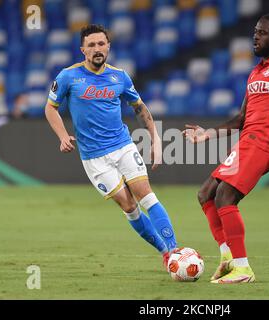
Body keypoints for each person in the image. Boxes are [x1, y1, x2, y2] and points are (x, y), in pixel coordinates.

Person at [183, 13, 269, 284]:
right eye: (255, 32)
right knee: (206, 195)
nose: (255, 36)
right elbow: (240, 119)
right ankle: (227, 256)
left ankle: (243, 268)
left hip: (265, 142)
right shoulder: (256, 72)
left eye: (262, 32)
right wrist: (207, 134)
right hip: (247, 140)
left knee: (225, 196)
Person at [45, 24, 177, 270]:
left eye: (101, 44)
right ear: (82, 49)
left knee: (147, 196)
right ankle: (163, 251)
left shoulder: (120, 77)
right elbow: (50, 108)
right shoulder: (68, 77)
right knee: (129, 207)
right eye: (91, 45)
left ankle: (175, 250)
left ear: (108, 47)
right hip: (94, 157)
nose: (97, 49)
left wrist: (155, 140)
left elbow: (140, 108)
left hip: (123, 146)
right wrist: (62, 136)